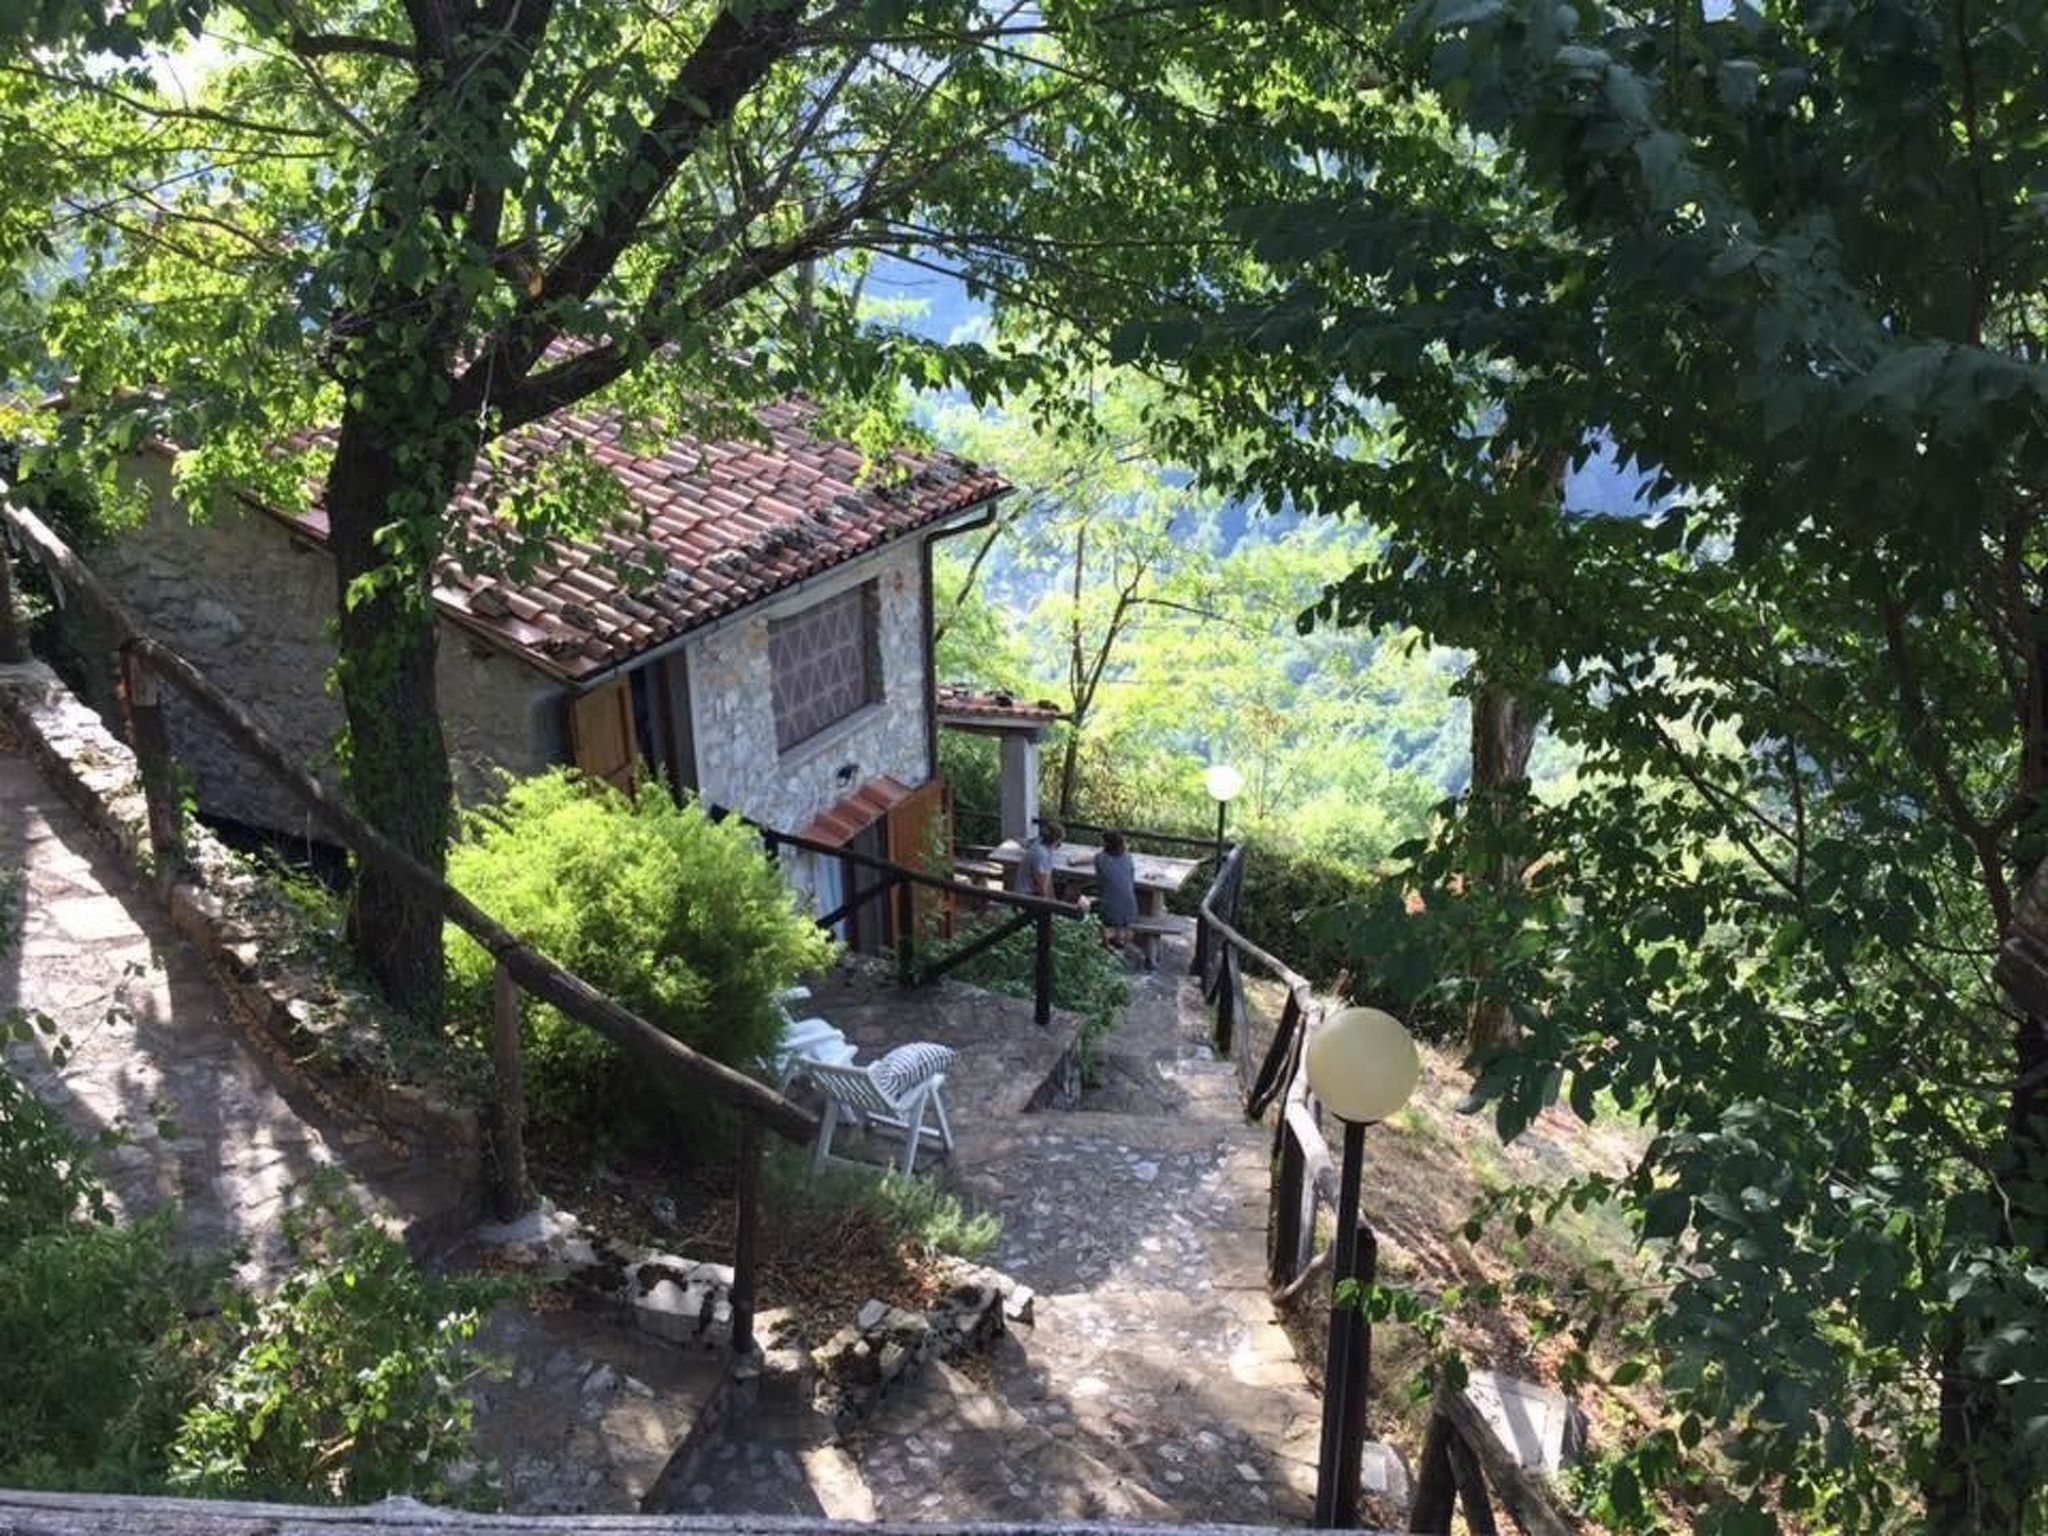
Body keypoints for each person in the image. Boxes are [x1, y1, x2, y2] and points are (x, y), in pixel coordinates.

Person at [1094, 828, 1140, 958]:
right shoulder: (1128, 857)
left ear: (1106, 843)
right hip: (1131, 910)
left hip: (1108, 911)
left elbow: (1101, 884)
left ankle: (1108, 939)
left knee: (1095, 900)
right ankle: (1119, 938)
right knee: (1120, 898)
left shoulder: (1100, 858)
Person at [1013, 819, 1062, 899]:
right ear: (1056, 841)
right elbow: (1042, 889)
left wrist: (1054, 899)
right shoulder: (1042, 855)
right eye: (1059, 843)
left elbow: (1047, 881)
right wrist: (1052, 904)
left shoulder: (1037, 844)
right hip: (1027, 898)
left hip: (1025, 892)